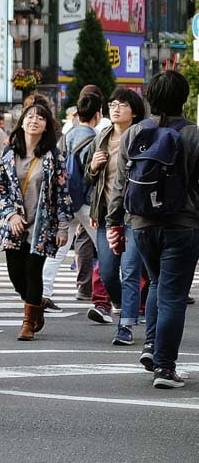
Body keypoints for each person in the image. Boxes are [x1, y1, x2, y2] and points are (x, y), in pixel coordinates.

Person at [108, 70, 199, 388]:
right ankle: (164, 366)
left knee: (159, 284)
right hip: (182, 224)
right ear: (184, 98)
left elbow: (120, 184)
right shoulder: (193, 134)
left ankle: (151, 347)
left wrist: (113, 222)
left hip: (142, 225)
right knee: (174, 293)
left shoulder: (135, 133)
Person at [0, 95, 71, 341]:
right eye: (29, 117)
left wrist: (62, 228)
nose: (34, 121)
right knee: (16, 273)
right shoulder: (8, 154)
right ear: (22, 122)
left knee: (33, 271)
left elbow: (62, 192)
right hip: (14, 224)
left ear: (47, 125)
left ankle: (28, 323)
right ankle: (36, 304)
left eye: (40, 117)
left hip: (42, 225)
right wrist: (11, 214)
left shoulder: (53, 156)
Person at [89, 87, 148, 347]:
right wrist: (93, 166)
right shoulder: (101, 137)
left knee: (130, 270)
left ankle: (125, 325)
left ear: (134, 112)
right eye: (112, 104)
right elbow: (91, 178)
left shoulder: (142, 138)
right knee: (109, 273)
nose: (115, 108)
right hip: (105, 216)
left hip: (134, 215)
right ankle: (124, 306)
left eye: (122, 105)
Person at [48, 89, 106, 315]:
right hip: (85, 202)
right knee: (105, 246)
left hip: (65, 199)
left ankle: (43, 294)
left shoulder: (66, 136)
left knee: (59, 248)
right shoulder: (93, 138)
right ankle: (111, 295)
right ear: (98, 115)